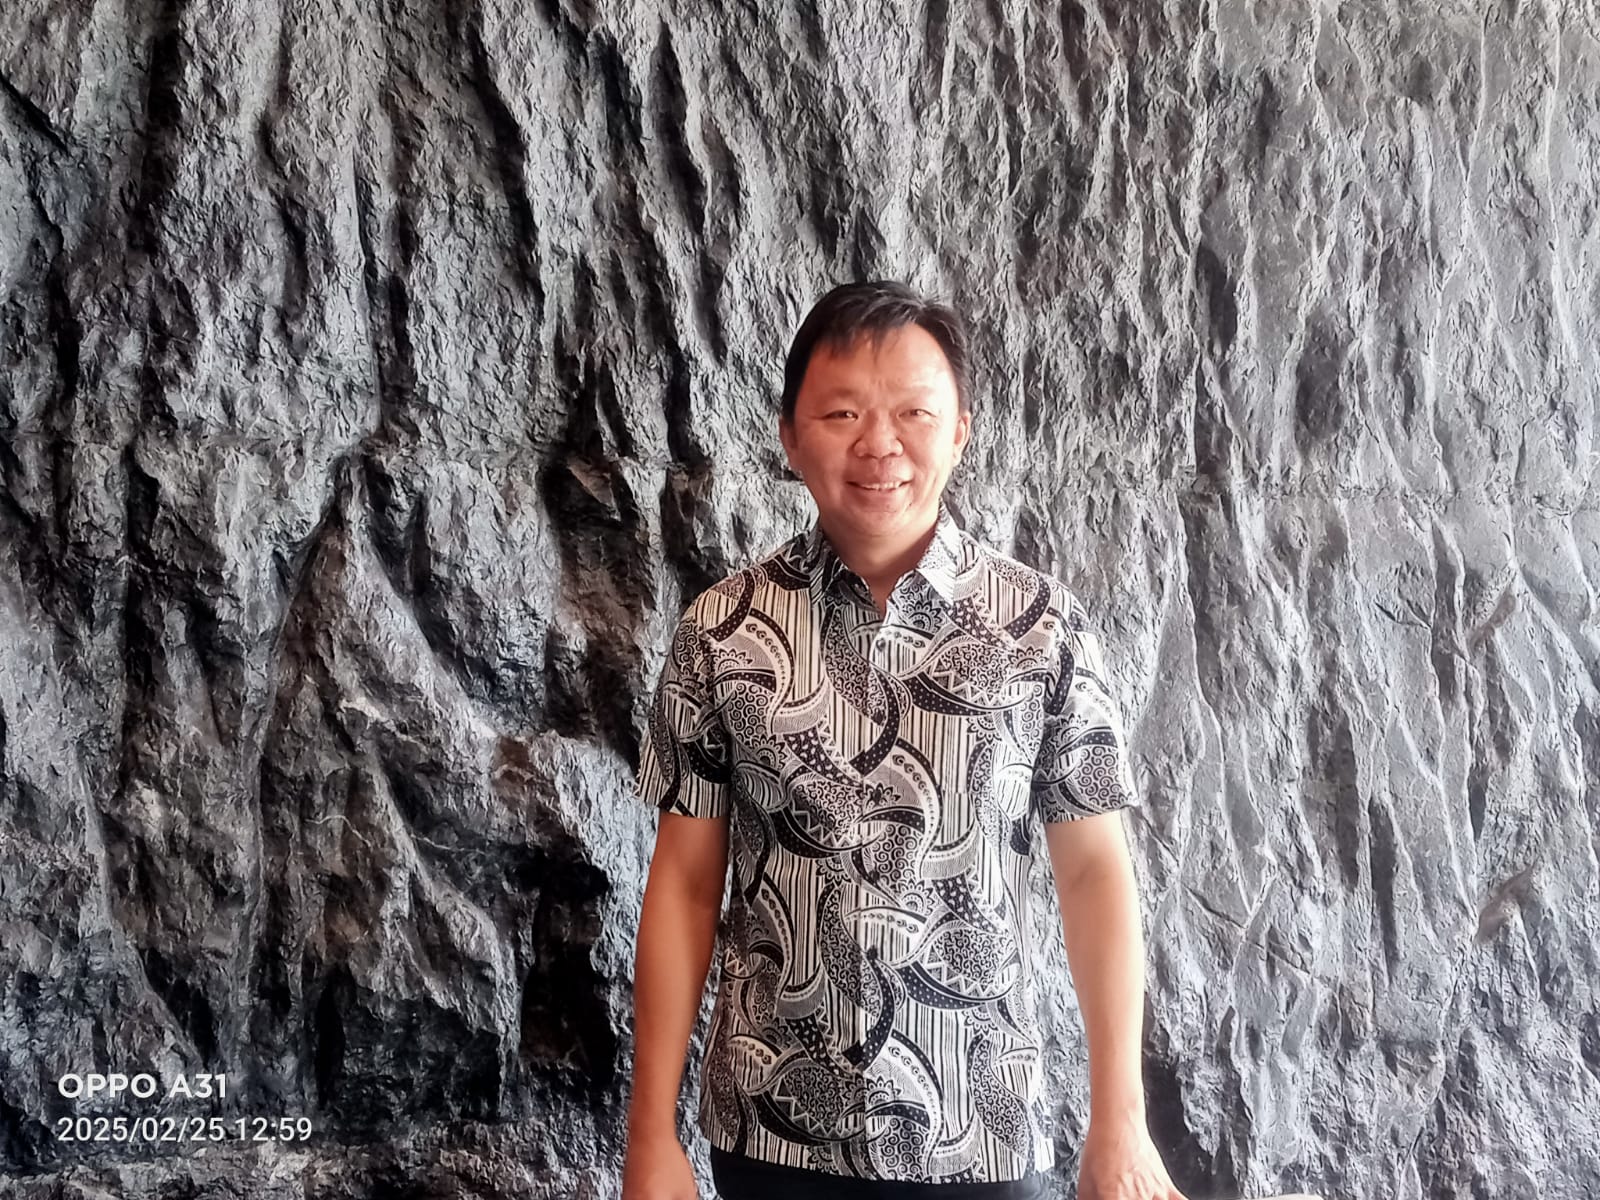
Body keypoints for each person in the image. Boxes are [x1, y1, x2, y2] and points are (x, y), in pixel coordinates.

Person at [621, 281, 1186, 1200]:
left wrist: (1119, 1120)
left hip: (984, 1132)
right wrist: (651, 1137)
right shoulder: (722, 632)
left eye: (913, 413)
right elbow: (684, 882)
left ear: (960, 430)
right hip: (774, 1134)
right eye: (842, 412)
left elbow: (1094, 873)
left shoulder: (1042, 629)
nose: (878, 444)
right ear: (789, 436)